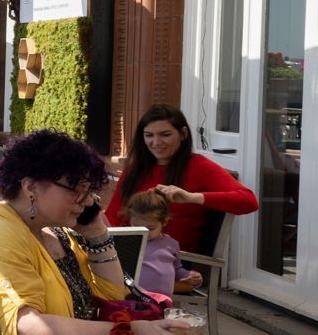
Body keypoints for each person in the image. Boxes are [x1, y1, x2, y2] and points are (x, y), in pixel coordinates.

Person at [0, 130, 199, 335]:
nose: (88, 201)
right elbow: (27, 326)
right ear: (31, 187)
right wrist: (130, 334)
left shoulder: (53, 232)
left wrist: (97, 233)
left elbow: (114, 295)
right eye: (77, 189)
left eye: (88, 191)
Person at [105, 104, 257, 254]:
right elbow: (113, 214)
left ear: (183, 134)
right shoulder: (135, 168)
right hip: (129, 252)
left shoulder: (200, 166)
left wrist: (193, 198)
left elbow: (249, 201)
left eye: (165, 135)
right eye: (149, 135)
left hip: (173, 262)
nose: (156, 143)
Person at [125, 189, 201, 299]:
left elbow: (177, 270)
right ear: (130, 220)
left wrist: (190, 276)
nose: (144, 232)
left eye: (150, 228)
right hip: (130, 300)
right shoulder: (127, 241)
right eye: (137, 227)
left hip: (161, 302)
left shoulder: (170, 244)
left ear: (164, 221)